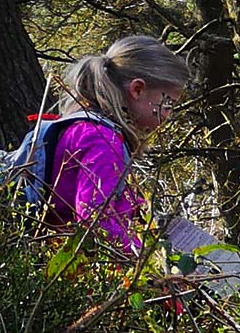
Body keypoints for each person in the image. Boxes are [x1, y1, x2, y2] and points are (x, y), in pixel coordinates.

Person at [46, 36, 191, 259]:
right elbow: (95, 221)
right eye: (168, 103)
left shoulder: (83, 127)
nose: (168, 116)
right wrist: (148, 264)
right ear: (137, 90)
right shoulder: (102, 139)